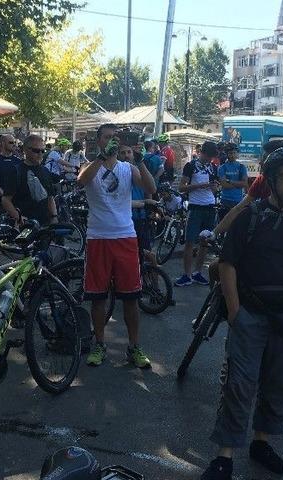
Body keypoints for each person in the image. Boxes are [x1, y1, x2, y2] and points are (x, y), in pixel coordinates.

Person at [199, 147, 283, 480]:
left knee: (278, 385)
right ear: (270, 181)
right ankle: (224, 455)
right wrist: (235, 310)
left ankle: (261, 442)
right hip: (251, 318)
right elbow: (227, 265)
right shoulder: (250, 217)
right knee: (239, 386)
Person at [78, 125, 157, 368]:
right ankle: (99, 344)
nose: (112, 141)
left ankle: (134, 346)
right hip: (98, 238)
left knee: (131, 298)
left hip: (125, 237)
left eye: (115, 138)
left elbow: (150, 189)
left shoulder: (128, 168)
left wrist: (141, 160)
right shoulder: (89, 167)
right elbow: (82, 181)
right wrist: (101, 159)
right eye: (107, 138)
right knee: (98, 298)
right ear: (99, 141)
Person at [175, 141, 219, 287]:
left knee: (204, 242)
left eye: (212, 157)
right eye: (208, 156)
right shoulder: (191, 166)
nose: (209, 159)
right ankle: (187, 274)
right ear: (202, 152)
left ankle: (198, 272)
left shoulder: (213, 167)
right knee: (189, 242)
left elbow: (214, 188)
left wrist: (214, 187)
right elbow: (182, 187)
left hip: (210, 206)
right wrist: (201, 185)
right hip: (195, 207)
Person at [2, 134, 57, 226]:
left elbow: (50, 197)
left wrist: (54, 217)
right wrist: (18, 217)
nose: (40, 154)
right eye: (36, 151)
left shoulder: (45, 171)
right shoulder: (16, 171)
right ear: (25, 150)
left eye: (42, 151)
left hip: (45, 226)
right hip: (25, 226)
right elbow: (5, 200)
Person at [216, 143, 247, 222]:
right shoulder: (222, 167)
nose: (232, 155)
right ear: (227, 154)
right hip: (225, 201)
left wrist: (229, 181)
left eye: (234, 153)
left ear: (237, 153)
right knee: (223, 226)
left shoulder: (241, 167)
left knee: (236, 226)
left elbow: (244, 184)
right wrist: (238, 184)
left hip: (238, 201)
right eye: (230, 153)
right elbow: (224, 185)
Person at [0, 134, 21, 209]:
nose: (14, 145)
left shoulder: (19, 161)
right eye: (11, 142)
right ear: (3, 143)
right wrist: (5, 197)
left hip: (16, 202)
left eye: (14, 142)